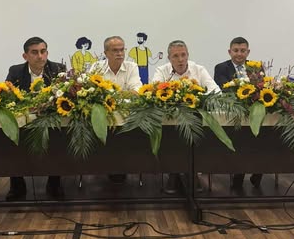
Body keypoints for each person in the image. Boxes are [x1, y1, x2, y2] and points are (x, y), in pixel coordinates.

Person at [153, 40, 220, 194]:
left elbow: (216, 91)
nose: (180, 59)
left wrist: (199, 99)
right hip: (170, 121)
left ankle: (190, 172)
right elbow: (155, 93)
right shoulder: (162, 71)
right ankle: (175, 172)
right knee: (171, 134)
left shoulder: (199, 69)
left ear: (188, 55)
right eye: (175, 56)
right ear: (169, 58)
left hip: (195, 120)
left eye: (183, 55)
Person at [6, 36, 66, 200]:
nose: (40, 56)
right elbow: (9, 96)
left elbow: (64, 95)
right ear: (25, 56)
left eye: (43, 51)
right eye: (34, 52)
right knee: (13, 142)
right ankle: (17, 186)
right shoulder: (15, 71)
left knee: (57, 140)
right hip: (24, 119)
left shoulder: (58, 69)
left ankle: (54, 183)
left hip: (50, 118)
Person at [90, 36, 142, 183]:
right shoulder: (97, 67)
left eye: (121, 50)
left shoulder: (131, 67)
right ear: (106, 53)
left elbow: (137, 92)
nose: (119, 53)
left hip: (127, 117)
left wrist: (109, 94)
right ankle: (103, 167)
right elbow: (92, 93)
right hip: (103, 115)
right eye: (115, 50)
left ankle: (121, 167)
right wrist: (122, 93)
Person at [214, 36, 263, 190]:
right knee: (241, 142)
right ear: (230, 52)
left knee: (262, 139)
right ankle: (238, 175)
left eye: (243, 51)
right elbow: (224, 89)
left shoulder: (256, 67)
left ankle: (258, 172)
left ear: (248, 52)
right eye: (236, 50)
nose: (239, 54)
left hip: (254, 111)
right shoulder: (221, 68)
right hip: (233, 112)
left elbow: (262, 88)